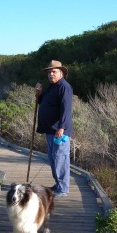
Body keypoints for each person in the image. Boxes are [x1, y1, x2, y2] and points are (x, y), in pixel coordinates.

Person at [35, 60, 73, 197]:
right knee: (53, 159)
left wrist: (61, 127)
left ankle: (63, 189)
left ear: (61, 72)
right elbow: (42, 102)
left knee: (60, 159)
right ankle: (58, 184)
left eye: (54, 71)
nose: (51, 74)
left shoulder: (64, 87)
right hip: (50, 130)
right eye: (49, 72)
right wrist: (38, 93)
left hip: (59, 131)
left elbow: (66, 109)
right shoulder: (52, 86)